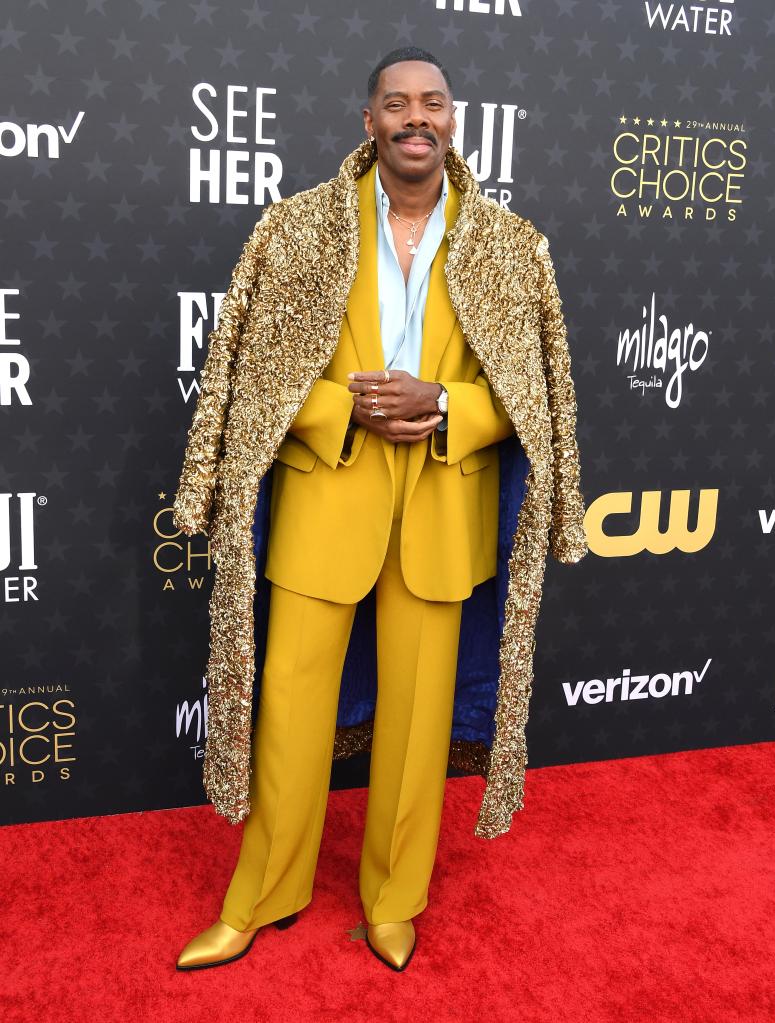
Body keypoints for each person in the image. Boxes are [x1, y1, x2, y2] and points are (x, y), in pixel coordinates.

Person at [172, 46, 587, 974]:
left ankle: (394, 898)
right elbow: (251, 380)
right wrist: (342, 407)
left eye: (431, 103)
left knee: (415, 728)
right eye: (395, 103)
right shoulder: (295, 231)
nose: (414, 117)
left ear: (453, 122)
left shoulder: (511, 248)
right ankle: (259, 896)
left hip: (443, 514)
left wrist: (445, 406)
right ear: (368, 123)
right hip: (327, 501)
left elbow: (534, 400)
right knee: (286, 713)